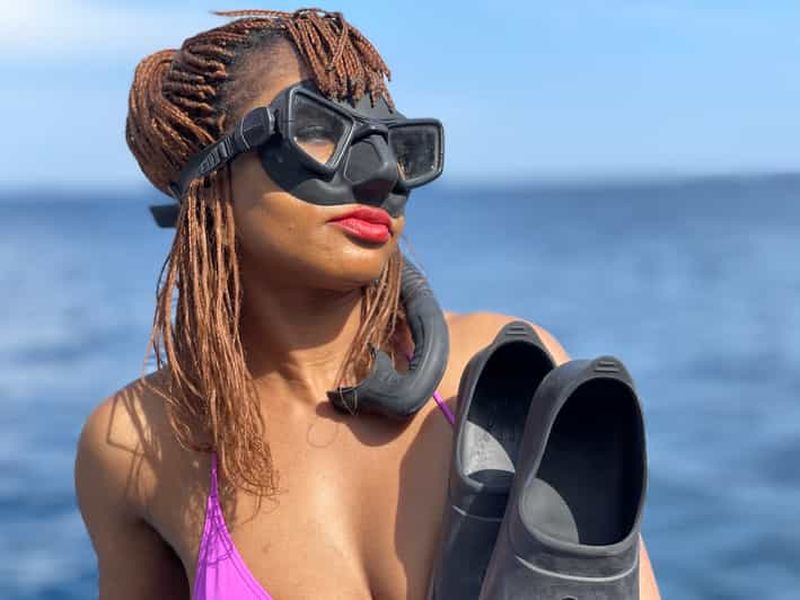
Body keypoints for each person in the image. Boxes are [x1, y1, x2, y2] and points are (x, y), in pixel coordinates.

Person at [74, 8, 661, 599]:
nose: (382, 175)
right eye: (317, 129)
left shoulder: (506, 371)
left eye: (397, 144)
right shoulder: (135, 444)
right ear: (210, 180)